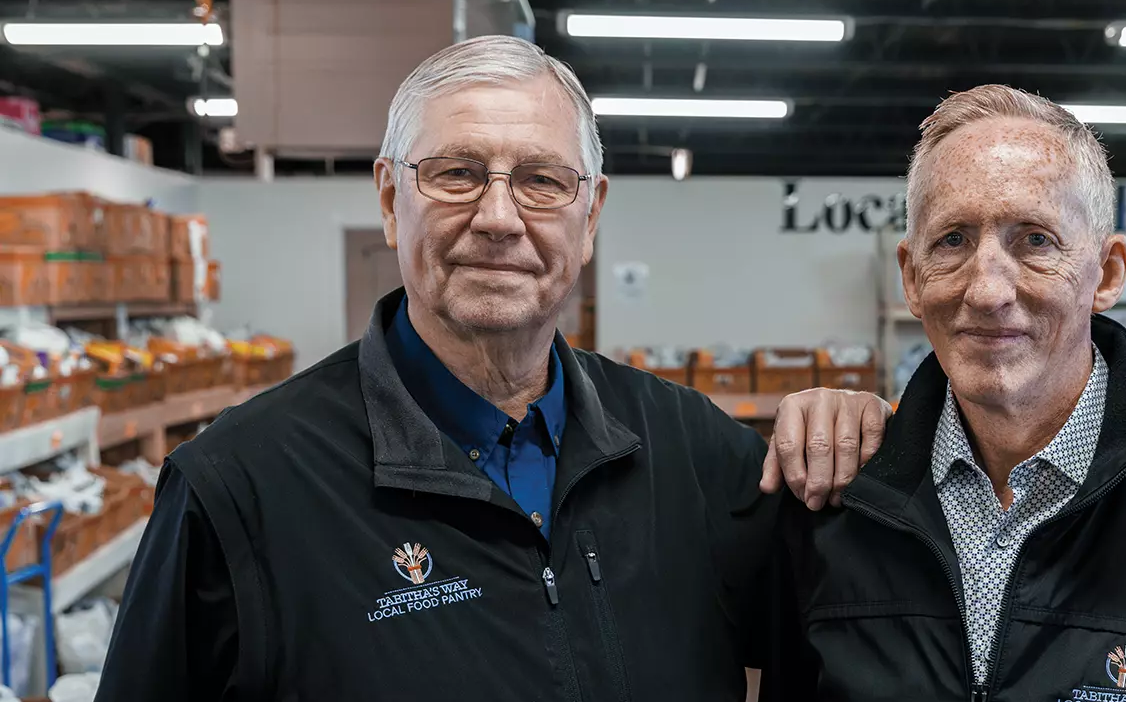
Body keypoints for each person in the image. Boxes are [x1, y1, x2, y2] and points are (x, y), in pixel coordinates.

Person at [95, 36, 890, 701]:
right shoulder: (238, 488)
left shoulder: (701, 458)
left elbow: (856, 653)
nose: (500, 218)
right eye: (457, 174)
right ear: (388, 196)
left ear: (591, 216)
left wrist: (865, 439)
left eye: (542, 181)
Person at [765, 85, 1126, 701]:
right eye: (953, 240)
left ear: (1108, 273)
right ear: (911, 277)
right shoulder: (837, 505)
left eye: (1035, 239)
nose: (987, 291)